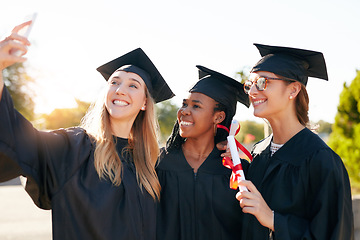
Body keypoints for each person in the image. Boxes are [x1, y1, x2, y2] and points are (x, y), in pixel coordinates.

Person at [0, 22, 174, 240]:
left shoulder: (150, 164)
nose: (120, 90)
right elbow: (17, 138)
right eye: (115, 82)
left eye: (133, 85)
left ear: (145, 104)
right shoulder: (75, 148)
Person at [233, 43, 354, 239]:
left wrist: (272, 219)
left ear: (293, 90)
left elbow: (334, 234)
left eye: (263, 82)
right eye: (250, 84)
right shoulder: (259, 152)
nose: (252, 91)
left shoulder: (320, 160)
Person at [156, 65, 250, 240]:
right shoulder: (159, 162)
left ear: (218, 117)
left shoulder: (236, 172)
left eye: (196, 106)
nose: (184, 111)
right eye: (184, 104)